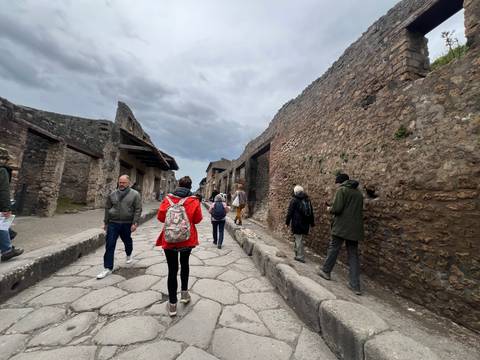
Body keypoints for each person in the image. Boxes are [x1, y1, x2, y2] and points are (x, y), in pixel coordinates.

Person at [156, 176, 202, 316]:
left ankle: (172, 305)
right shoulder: (193, 201)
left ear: (178, 185)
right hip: (186, 240)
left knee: (172, 270)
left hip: (169, 240)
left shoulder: (167, 200)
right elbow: (198, 219)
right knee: (185, 264)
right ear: (190, 187)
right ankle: (184, 295)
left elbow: (160, 218)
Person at [318, 173, 364, 295]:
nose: (336, 185)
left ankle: (326, 271)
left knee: (334, 248)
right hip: (355, 229)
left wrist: (329, 209)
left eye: (337, 182)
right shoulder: (359, 193)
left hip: (341, 227)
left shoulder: (342, 190)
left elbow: (337, 209)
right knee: (353, 255)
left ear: (340, 182)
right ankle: (355, 285)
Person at [97, 175, 142, 279]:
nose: (121, 184)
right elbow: (108, 208)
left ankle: (129, 254)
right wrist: (105, 222)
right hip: (113, 223)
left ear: (128, 183)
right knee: (110, 244)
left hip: (127, 223)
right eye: (120, 182)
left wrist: (135, 223)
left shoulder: (135, 194)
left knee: (127, 241)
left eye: (124, 182)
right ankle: (107, 268)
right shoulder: (112, 194)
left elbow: (138, 209)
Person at [0, 147, 23, 261]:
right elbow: (3, 190)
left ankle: (10, 235)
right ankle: (7, 250)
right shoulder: (2, 171)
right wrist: (6, 208)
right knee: (1, 225)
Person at [285, 185, 314, 263]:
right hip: (305, 224)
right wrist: (312, 223)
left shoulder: (294, 200)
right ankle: (297, 254)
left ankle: (300, 256)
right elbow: (311, 213)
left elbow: (290, 212)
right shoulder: (307, 200)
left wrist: (287, 222)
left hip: (297, 223)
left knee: (298, 239)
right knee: (299, 238)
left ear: (295, 192)